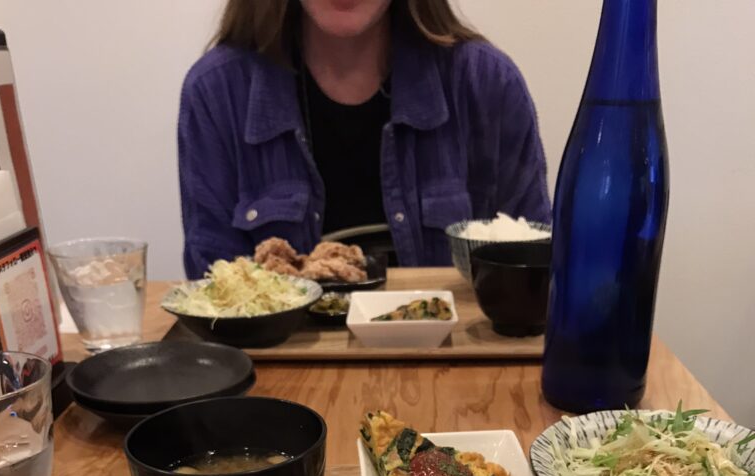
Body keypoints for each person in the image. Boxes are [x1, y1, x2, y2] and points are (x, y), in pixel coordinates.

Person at [178, 0, 550, 278]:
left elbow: (537, 279)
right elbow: (215, 299)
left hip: (451, 373)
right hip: (279, 377)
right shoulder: (217, 94)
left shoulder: (486, 84)